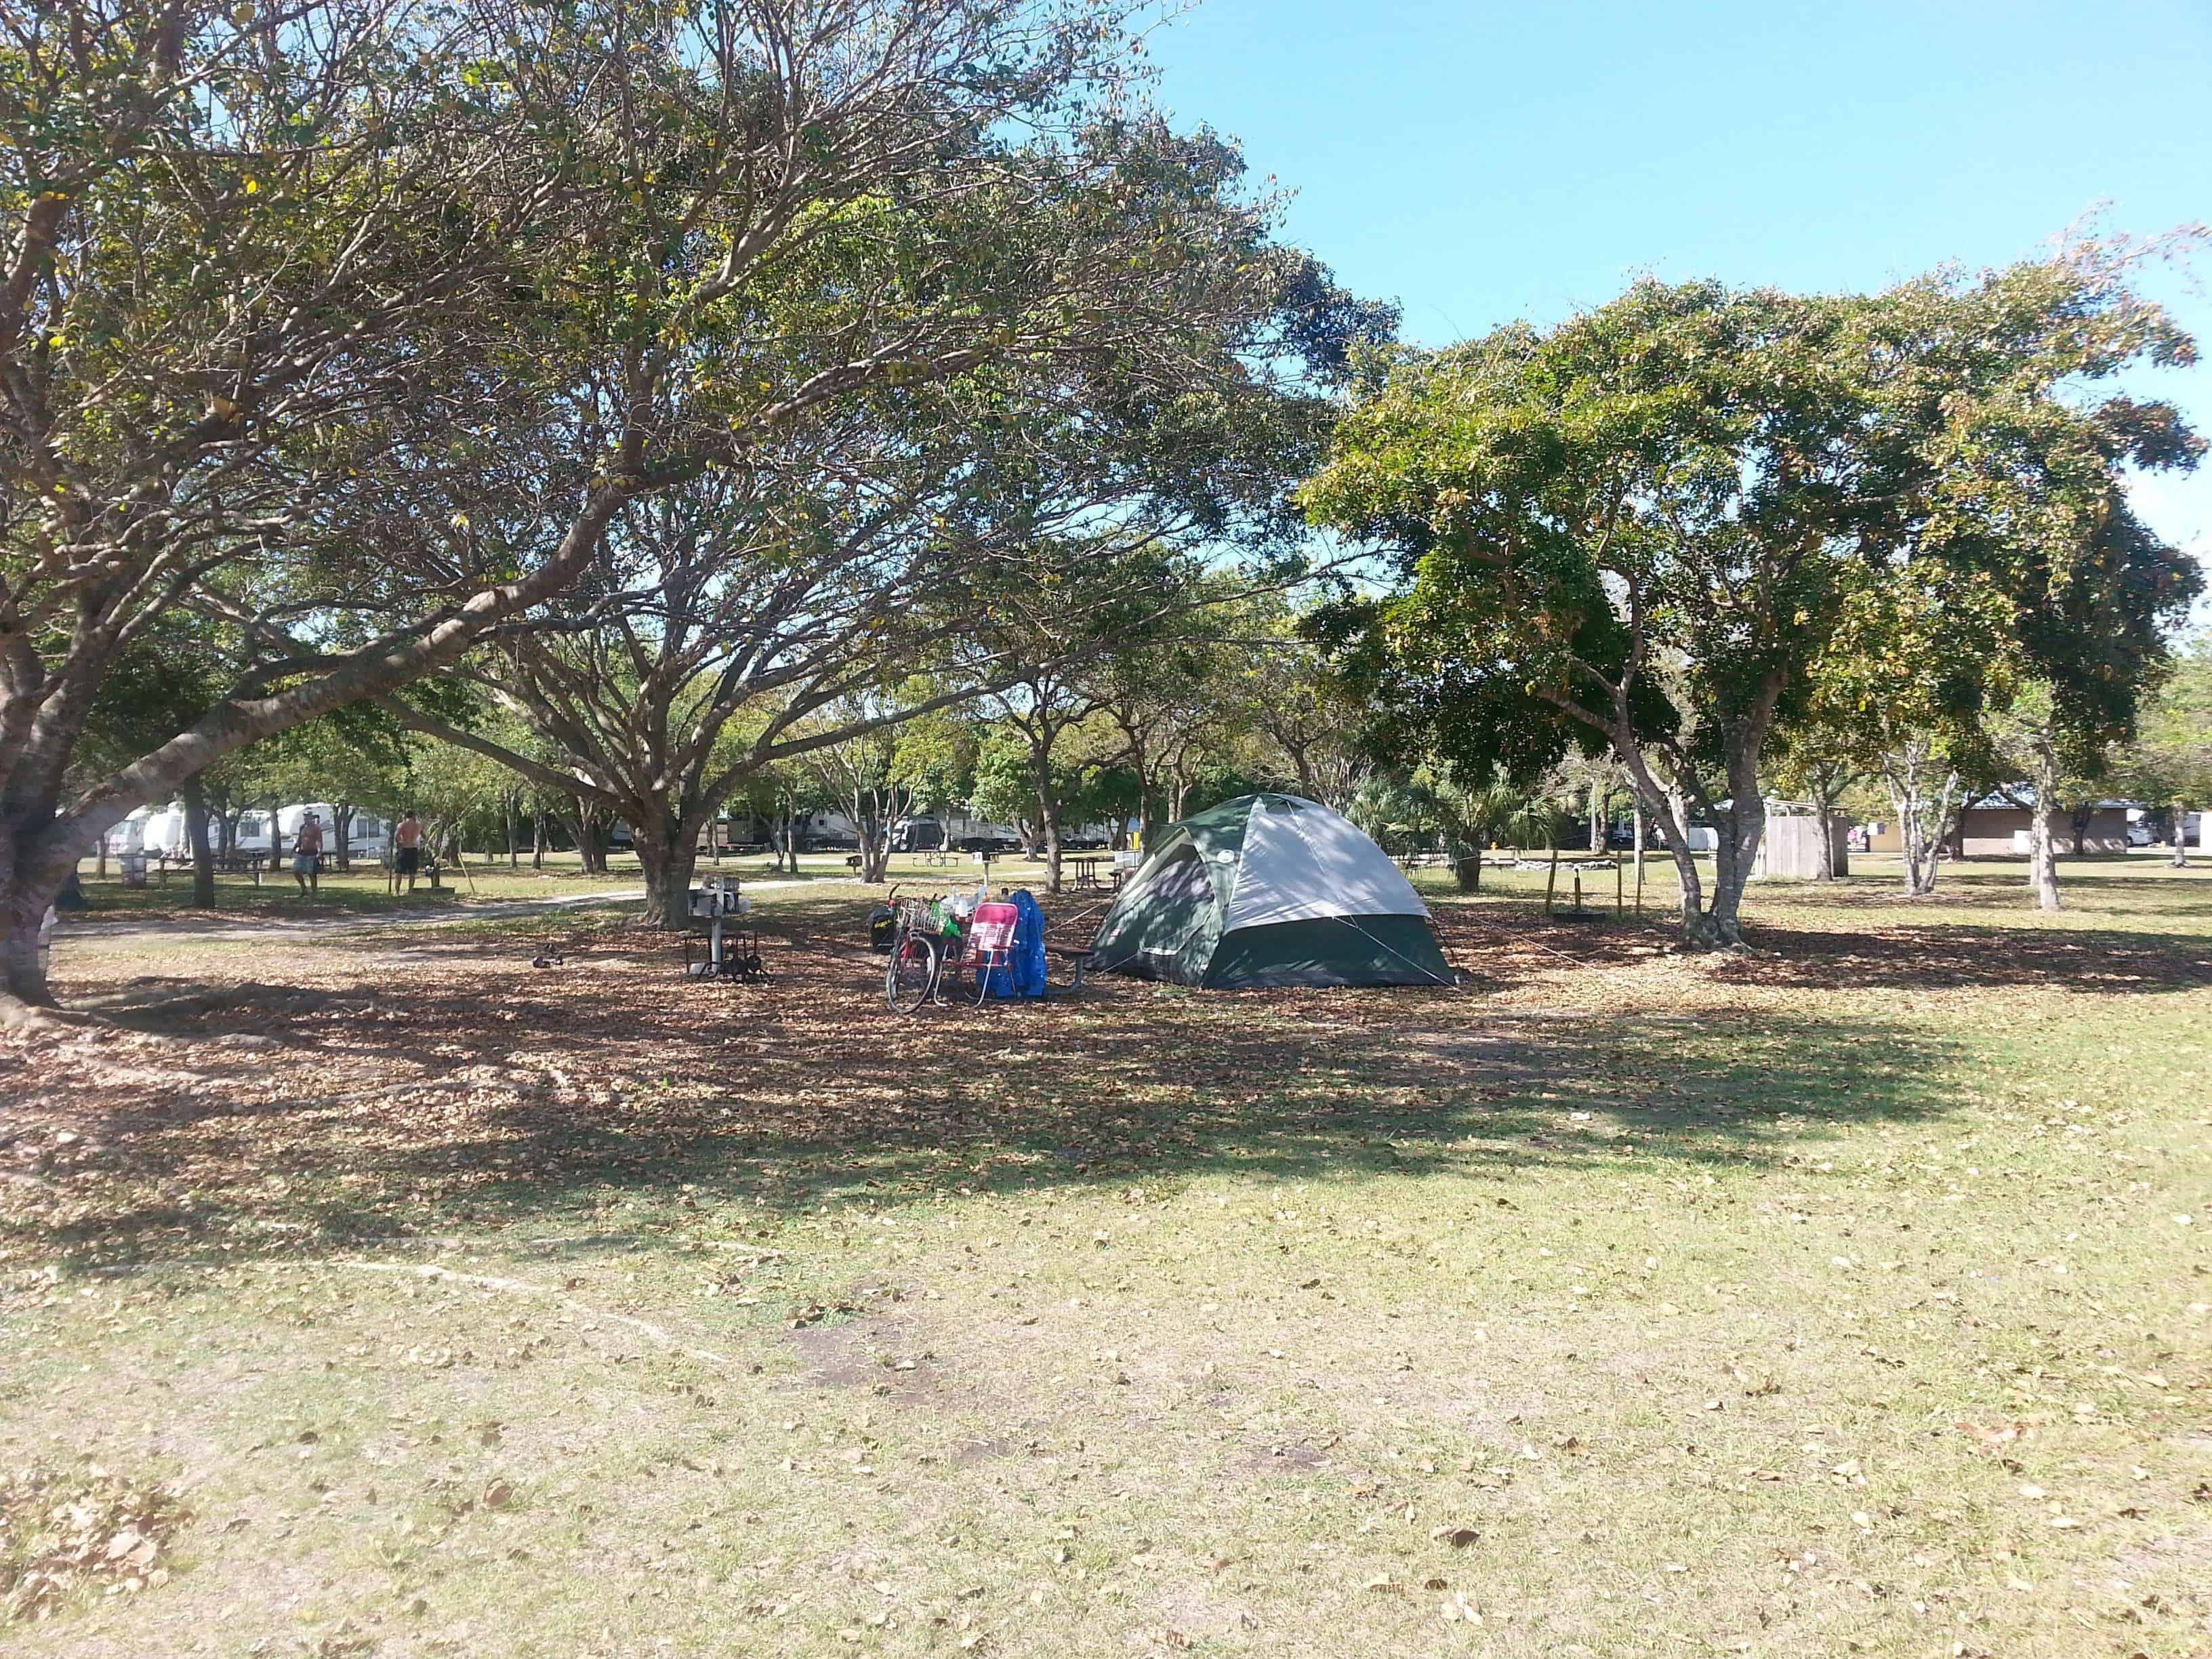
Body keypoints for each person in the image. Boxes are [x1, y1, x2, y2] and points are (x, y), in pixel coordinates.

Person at [293, 809, 325, 896]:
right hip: (302, 852)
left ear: (311, 817)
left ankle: (314, 892)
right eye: (305, 817)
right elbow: (299, 840)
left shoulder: (316, 828)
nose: (306, 818)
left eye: (308, 817)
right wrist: (293, 849)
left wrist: (319, 852)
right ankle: (304, 889)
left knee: (311, 873)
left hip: (312, 852)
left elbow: (319, 841)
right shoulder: (302, 827)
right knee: (296, 871)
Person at [394, 811, 424, 893]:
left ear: (406, 816)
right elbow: (424, 836)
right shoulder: (418, 825)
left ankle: (397, 891)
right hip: (414, 849)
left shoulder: (402, 825)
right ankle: (410, 891)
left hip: (404, 848)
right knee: (412, 872)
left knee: (399, 871)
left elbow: (396, 837)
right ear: (413, 816)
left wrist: (401, 843)